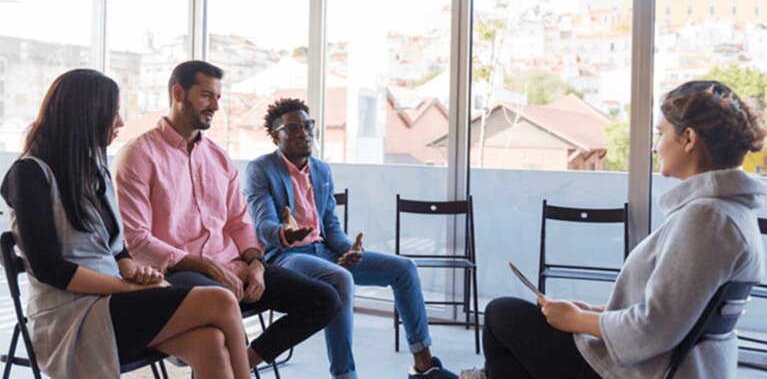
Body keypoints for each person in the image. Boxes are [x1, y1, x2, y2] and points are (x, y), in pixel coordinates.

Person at [480, 80, 767, 379]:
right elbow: (675, 313)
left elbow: (654, 328)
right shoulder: (728, 213)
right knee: (509, 364)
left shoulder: (707, 220)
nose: (655, 147)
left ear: (689, 139)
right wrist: (593, 312)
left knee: (501, 314)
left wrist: (577, 319)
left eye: (661, 134)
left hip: (643, 372)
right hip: (659, 365)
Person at [1, 69, 252, 379]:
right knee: (221, 300)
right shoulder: (29, 174)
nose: (120, 121)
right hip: (69, 318)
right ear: (87, 113)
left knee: (209, 341)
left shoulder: (96, 171)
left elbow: (118, 250)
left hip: (111, 303)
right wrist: (126, 286)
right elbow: (49, 268)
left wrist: (138, 274)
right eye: (114, 111)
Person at [113, 61, 341, 370]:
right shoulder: (139, 155)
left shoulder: (219, 157)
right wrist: (207, 266)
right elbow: (137, 240)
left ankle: (241, 365)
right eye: (207, 95)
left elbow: (239, 222)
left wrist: (256, 263)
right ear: (178, 93)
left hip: (233, 267)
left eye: (219, 97)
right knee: (220, 305)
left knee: (325, 300)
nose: (216, 106)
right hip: (175, 272)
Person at [244, 98, 459, 379]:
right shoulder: (261, 169)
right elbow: (263, 226)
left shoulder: (321, 170)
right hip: (288, 257)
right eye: (293, 127)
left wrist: (351, 250)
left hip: (324, 251)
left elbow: (331, 226)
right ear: (276, 135)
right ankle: (345, 374)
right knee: (339, 279)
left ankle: (424, 366)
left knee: (404, 269)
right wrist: (285, 233)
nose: (303, 133)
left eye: (308, 125)